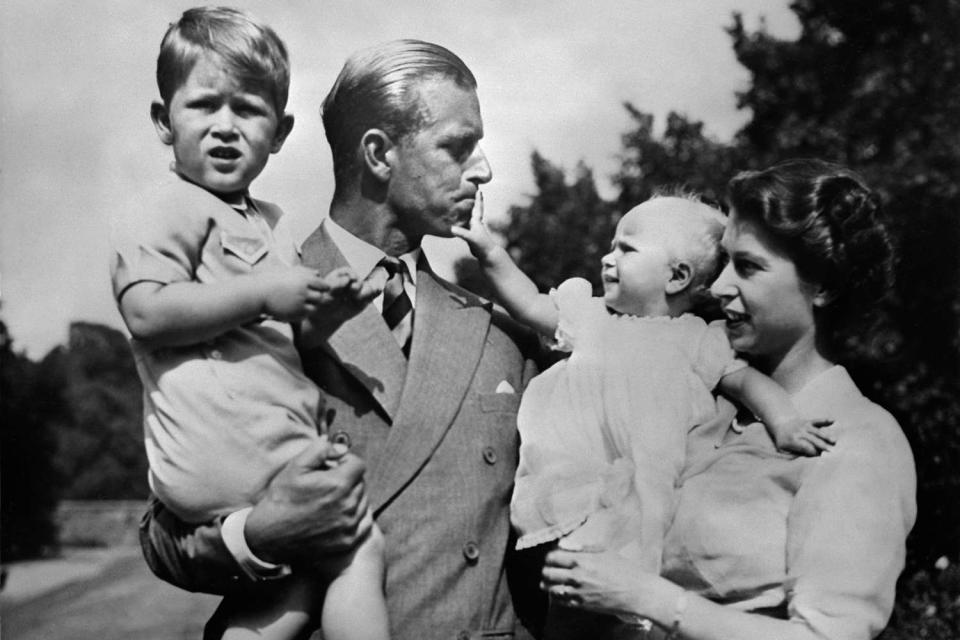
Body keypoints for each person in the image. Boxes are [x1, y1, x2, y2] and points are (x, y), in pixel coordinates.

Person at [137, 38, 543, 640]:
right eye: (458, 147)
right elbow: (162, 537)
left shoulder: (502, 333)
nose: (482, 169)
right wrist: (259, 534)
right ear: (378, 154)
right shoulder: (248, 307)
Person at [540, 159, 917, 640]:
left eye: (749, 267)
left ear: (823, 286)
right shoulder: (702, 400)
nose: (717, 287)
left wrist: (649, 598)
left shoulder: (860, 441)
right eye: (724, 262)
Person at [110, 8, 387, 640]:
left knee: (302, 579)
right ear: (163, 121)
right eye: (204, 106)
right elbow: (146, 313)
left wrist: (324, 313)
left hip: (260, 446)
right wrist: (266, 290)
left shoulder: (270, 220)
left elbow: (288, 338)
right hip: (226, 451)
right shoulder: (165, 206)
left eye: (249, 110)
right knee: (359, 547)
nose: (225, 128)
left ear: (281, 131)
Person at [454, 193, 832, 602]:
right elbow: (528, 303)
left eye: (626, 249)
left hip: (646, 500)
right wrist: (490, 250)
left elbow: (749, 385)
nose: (606, 257)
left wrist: (786, 422)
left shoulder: (698, 340)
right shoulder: (592, 317)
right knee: (568, 599)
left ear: (677, 276)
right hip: (572, 488)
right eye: (611, 245)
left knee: (626, 602)